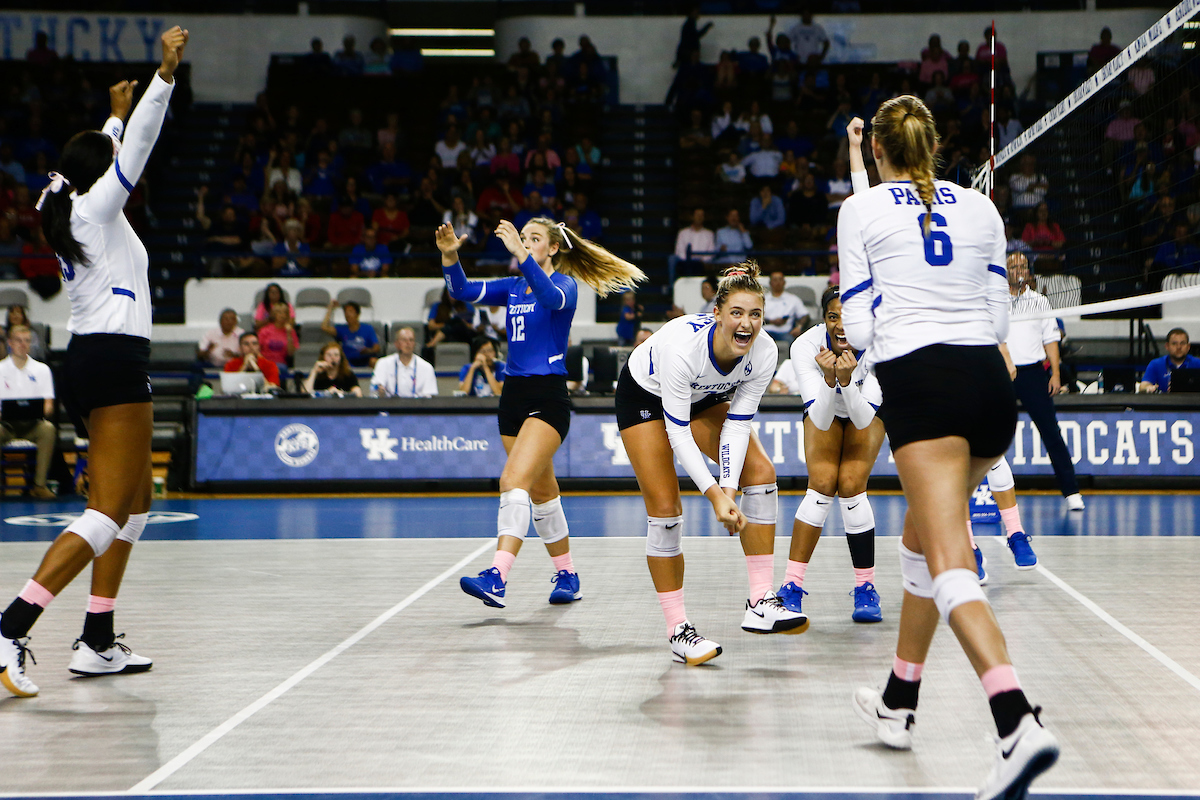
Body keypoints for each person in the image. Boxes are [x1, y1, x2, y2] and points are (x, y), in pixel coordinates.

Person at [839, 95, 1058, 799]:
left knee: (950, 558)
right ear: (932, 144)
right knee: (918, 545)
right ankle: (899, 701)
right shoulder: (983, 208)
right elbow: (998, 316)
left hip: (923, 387)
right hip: (992, 393)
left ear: (877, 149)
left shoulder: (861, 208)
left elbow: (860, 328)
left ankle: (1015, 720)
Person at [0, 26, 189, 697]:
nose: (114, 161)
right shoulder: (99, 208)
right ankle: (12, 624)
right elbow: (134, 147)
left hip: (94, 359)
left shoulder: (76, 207)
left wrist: (113, 109)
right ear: (97, 172)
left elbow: (102, 149)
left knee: (136, 503)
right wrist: (163, 78)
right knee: (109, 511)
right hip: (111, 363)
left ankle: (98, 640)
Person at [438, 217, 644, 610]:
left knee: (512, 479)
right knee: (543, 494)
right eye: (523, 237)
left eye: (534, 239)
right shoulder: (514, 287)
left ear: (552, 249)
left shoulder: (564, 286)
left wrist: (519, 253)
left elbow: (549, 297)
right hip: (512, 398)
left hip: (547, 398)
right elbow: (461, 290)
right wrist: (450, 256)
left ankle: (497, 576)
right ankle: (568, 574)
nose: (526, 242)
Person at [617, 262, 806, 666]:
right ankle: (678, 631)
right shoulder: (682, 349)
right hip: (645, 395)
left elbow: (738, 426)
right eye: (736, 313)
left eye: (755, 314)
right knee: (666, 511)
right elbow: (679, 433)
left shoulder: (765, 351)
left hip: (704, 395)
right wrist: (715, 494)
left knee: (761, 473)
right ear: (716, 313)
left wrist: (730, 488)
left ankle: (760, 602)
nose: (747, 323)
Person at [781, 287, 885, 624]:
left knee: (852, 483)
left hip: (865, 409)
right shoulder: (805, 347)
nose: (841, 325)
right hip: (825, 406)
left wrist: (847, 380)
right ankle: (791, 586)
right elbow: (822, 419)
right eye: (833, 316)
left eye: (850, 317)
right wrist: (830, 379)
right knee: (823, 482)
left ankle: (865, 588)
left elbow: (862, 418)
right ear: (824, 319)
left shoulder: (883, 347)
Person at [1001, 252, 1084, 511]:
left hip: (1033, 374)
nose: (1019, 269)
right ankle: (982, 495)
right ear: (1004, 270)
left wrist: (1056, 374)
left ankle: (1071, 491)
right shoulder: (994, 301)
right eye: (1014, 266)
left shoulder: (1040, 302)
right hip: (1001, 373)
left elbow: (1050, 338)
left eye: (1023, 265)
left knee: (1051, 432)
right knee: (991, 433)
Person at [0, 325, 57, 500]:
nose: (23, 344)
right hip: (5, 424)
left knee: (48, 429)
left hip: (33, 424)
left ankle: (39, 485)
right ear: (10, 342)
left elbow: (49, 405)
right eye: (18, 340)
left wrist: (40, 411)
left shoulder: (42, 369)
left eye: (27, 341)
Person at [371, 327, 437, 398]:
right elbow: (375, 390)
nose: (408, 343)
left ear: (414, 344)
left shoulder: (426, 367)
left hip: (417, 407)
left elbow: (430, 397)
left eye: (411, 340)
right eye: (404, 340)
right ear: (396, 344)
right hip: (390, 407)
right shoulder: (383, 363)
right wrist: (380, 391)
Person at [321, 300, 381, 368]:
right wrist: (330, 307)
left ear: (357, 314)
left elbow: (376, 348)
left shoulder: (368, 328)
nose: (347, 314)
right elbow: (324, 327)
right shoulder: (341, 329)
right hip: (348, 360)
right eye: (345, 312)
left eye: (350, 311)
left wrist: (368, 350)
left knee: (374, 361)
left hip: (365, 358)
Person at [1139, 327, 1200, 393]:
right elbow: (1143, 386)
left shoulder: (1197, 363)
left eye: (1182, 343)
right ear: (1167, 346)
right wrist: (1149, 388)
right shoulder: (1156, 364)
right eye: (1174, 344)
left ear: (1188, 347)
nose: (1178, 347)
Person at [762, 271, 808, 342]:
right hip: (765, 332)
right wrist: (771, 321)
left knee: (793, 342)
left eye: (780, 280)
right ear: (770, 283)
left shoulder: (793, 299)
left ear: (784, 282)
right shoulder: (762, 299)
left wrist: (799, 327)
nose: (778, 283)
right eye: (775, 280)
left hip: (785, 333)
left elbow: (804, 315)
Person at [257, 301, 298, 371]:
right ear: (274, 315)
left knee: (280, 368)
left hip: (281, 363)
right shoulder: (264, 331)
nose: (282, 315)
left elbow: (290, 353)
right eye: (279, 312)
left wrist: (288, 335)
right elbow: (257, 349)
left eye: (285, 313)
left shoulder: (290, 331)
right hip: (265, 362)